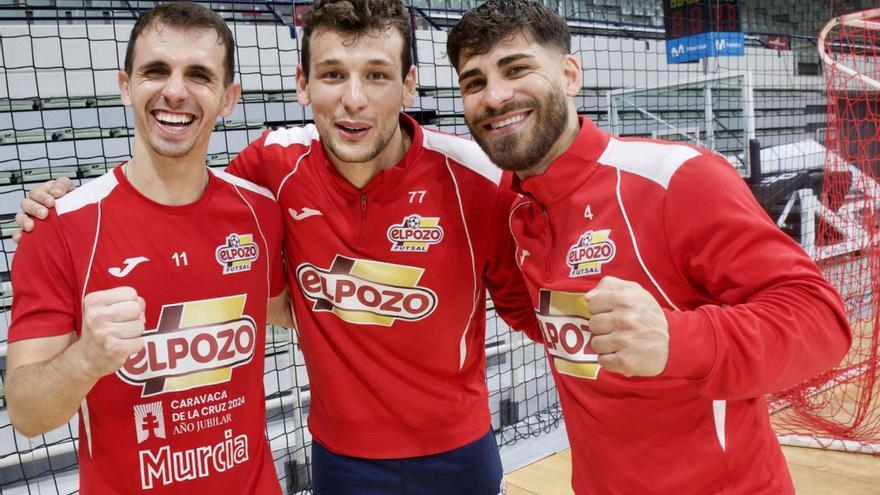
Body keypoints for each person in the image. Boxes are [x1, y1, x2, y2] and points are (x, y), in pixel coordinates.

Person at [15, 1, 541, 493]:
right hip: (341, 457)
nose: (353, 97)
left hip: (458, 452)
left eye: (377, 75)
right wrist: (56, 207)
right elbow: (186, 204)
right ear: (302, 85)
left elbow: (532, 309)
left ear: (408, 86)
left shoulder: (480, 178)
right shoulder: (272, 167)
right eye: (333, 74)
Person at [445, 1, 852, 494]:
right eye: (474, 82)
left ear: (570, 75)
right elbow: (536, 313)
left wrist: (679, 340)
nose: (495, 96)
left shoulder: (675, 178)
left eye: (516, 69)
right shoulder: (517, 208)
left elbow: (822, 322)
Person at [5, 3, 290, 493]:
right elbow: (28, 415)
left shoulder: (260, 213)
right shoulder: (62, 224)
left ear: (229, 98)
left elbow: (293, 310)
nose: (175, 91)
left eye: (199, 74)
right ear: (125, 85)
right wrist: (86, 358)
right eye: (156, 70)